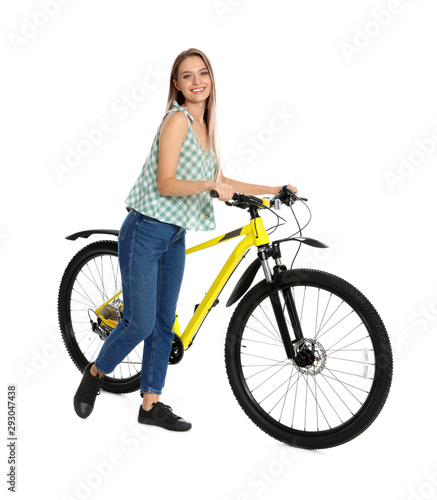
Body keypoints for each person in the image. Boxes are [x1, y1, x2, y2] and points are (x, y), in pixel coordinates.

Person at [73, 48, 297, 432]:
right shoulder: (176, 121)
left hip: (174, 233)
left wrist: (274, 188)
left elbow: (224, 179)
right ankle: (95, 373)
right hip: (146, 229)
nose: (197, 82)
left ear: (211, 79)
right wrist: (209, 185)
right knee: (139, 323)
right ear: (176, 85)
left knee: (163, 322)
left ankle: (150, 404)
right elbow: (166, 183)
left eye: (203, 73)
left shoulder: (206, 125)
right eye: (187, 76)